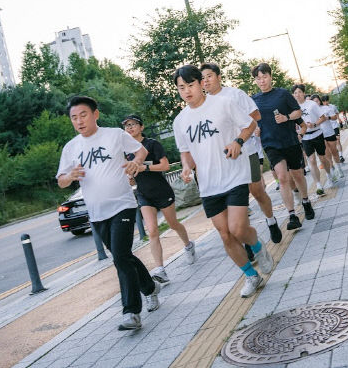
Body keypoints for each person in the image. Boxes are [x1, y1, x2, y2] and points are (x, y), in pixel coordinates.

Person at [56, 96, 161, 331]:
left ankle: (131, 312)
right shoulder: (71, 147)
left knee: (120, 257)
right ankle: (151, 288)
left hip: (122, 204)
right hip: (97, 213)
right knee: (124, 257)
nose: (79, 121)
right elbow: (61, 181)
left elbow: (141, 151)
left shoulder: (114, 134)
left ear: (95, 114)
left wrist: (136, 163)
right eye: (74, 117)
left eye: (83, 115)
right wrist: (70, 177)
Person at [173, 65, 274, 298]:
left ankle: (258, 248)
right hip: (208, 184)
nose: (186, 91)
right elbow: (185, 153)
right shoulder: (180, 121)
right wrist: (187, 167)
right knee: (225, 235)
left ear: (200, 83)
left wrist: (238, 141)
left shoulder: (223, 103)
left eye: (190, 85)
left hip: (234, 174)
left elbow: (250, 124)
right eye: (181, 88)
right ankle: (251, 276)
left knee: (237, 228)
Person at [200, 63, 283, 247]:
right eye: (202, 78)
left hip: (246, 151)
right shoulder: (202, 104)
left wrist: (240, 131)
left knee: (257, 192)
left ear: (219, 77)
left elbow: (256, 115)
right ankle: (246, 241)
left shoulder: (234, 94)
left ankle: (271, 221)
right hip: (225, 158)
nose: (205, 81)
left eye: (209, 76)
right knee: (237, 200)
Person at [122, 114, 197, 285]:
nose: (130, 128)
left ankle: (188, 245)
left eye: (133, 124)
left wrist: (144, 167)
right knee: (153, 231)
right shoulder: (126, 151)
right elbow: (133, 175)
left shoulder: (152, 144)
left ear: (141, 127)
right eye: (127, 126)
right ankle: (161, 270)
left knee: (173, 224)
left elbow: (165, 166)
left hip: (162, 191)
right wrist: (131, 178)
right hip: (143, 194)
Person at [251, 63, 314, 225]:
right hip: (270, 144)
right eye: (258, 79)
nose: (262, 81)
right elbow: (251, 120)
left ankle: (306, 201)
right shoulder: (254, 100)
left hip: (290, 141)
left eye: (264, 77)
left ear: (271, 77)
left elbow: (298, 112)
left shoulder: (283, 94)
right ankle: (292, 215)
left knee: (298, 174)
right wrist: (256, 128)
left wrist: (286, 117)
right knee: (282, 177)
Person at [292, 85, 338, 195]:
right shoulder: (293, 107)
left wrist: (314, 124)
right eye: (295, 93)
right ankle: (318, 184)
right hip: (306, 137)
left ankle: (329, 174)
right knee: (311, 160)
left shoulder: (312, 104)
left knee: (322, 158)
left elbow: (322, 117)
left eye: (299, 92)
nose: (297, 94)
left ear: (303, 93)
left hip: (317, 134)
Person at [312, 95, 344, 178]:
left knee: (334, 151)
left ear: (320, 101)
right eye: (314, 101)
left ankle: (339, 169)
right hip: (320, 135)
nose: (316, 103)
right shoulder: (311, 112)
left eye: (317, 101)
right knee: (327, 154)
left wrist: (328, 117)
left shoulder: (326, 108)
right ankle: (331, 168)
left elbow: (334, 117)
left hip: (329, 133)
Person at [322, 95, 344, 162]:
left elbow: (337, 113)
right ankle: (335, 155)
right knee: (331, 146)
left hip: (334, 126)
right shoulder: (321, 108)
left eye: (327, 100)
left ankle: (341, 156)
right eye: (324, 101)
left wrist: (339, 119)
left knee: (338, 140)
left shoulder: (332, 106)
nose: (326, 102)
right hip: (327, 129)